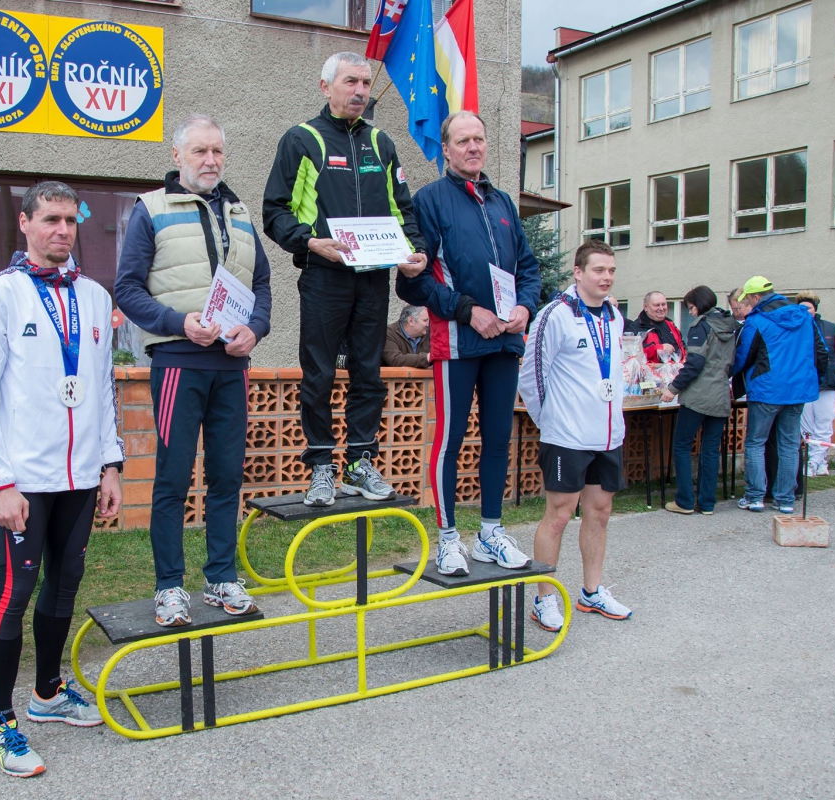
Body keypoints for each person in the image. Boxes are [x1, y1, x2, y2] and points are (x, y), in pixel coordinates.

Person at [0, 181, 124, 779]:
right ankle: (0, 725)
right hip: (24, 481)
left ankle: (48, 693)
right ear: (25, 223)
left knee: (65, 584)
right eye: (50, 219)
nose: (62, 230)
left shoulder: (95, 296)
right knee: (16, 592)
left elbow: (103, 388)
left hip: (80, 476)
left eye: (70, 221)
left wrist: (110, 465)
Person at [115, 114, 272, 628]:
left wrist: (256, 329)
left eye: (217, 151)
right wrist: (178, 323)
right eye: (200, 151)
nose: (210, 160)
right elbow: (127, 289)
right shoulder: (150, 209)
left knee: (227, 476)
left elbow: (262, 286)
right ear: (177, 155)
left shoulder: (241, 213)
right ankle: (169, 587)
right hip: (179, 364)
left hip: (232, 365)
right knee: (174, 479)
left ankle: (221, 577)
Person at [263, 51, 427, 507]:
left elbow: (402, 209)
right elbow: (274, 211)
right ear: (326, 86)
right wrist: (309, 242)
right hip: (324, 276)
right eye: (350, 81)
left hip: (373, 278)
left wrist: (414, 250)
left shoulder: (381, 142)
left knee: (368, 373)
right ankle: (321, 465)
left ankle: (359, 462)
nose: (360, 91)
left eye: (365, 83)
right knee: (318, 373)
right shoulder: (303, 139)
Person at [396, 111, 540, 576]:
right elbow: (413, 283)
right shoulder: (429, 200)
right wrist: (467, 311)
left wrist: (525, 307)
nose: (473, 147)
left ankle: (490, 534)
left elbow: (528, 268)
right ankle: (448, 539)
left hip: (504, 342)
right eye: (463, 141)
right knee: (450, 440)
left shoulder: (502, 202)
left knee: (497, 438)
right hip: (458, 341)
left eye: (478, 138)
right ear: (446, 149)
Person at [519, 239, 632, 632]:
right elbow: (531, 376)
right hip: (566, 436)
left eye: (611, 270)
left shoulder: (614, 316)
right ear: (579, 272)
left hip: (607, 435)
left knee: (599, 513)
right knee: (559, 515)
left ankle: (592, 591)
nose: (606, 277)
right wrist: (551, 423)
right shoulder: (555, 315)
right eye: (599, 270)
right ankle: (544, 599)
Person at [731, 276, 828, 515]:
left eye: (748, 299)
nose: (748, 304)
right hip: (798, 390)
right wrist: (812, 378)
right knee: (789, 445)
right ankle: (785, 500)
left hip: (766, 390)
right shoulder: (804, 317)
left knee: (755, 443)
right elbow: (821, 351)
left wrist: (728, 375)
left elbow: (742, 357)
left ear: (756, 297)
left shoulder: (757, 320)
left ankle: (755, 497)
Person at [661, 286, 736, 515]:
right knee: (711, 450)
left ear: (699, 305)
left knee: (682, 445)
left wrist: (673, 388)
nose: (691, 312)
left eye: (691, 307)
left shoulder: (700, 326)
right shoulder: (730, 325)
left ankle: (684, 501)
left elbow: (694, 363)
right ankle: (707, 503)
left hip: (698, 395)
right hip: (721, 394)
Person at [795, 291, 835, 476]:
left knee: (823, 423)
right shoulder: (794, 328)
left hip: (826, 384)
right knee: (806, 425)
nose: (805, 311)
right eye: (801, 308)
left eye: (808, 307)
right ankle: (818, 461)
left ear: (815, 309)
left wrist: (826, 371)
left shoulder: (828, 328)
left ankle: (815, 462)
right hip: (804, 383)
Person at [628, 291, 685, 364]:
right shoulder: (636, 327)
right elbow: (630, 352)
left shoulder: (671, 325)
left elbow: (682, 346)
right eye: (657, 305)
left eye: (663, 304)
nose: (661, 308)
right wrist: (658, 349)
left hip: (676, 369)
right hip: (650, 370)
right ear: (645, 307)